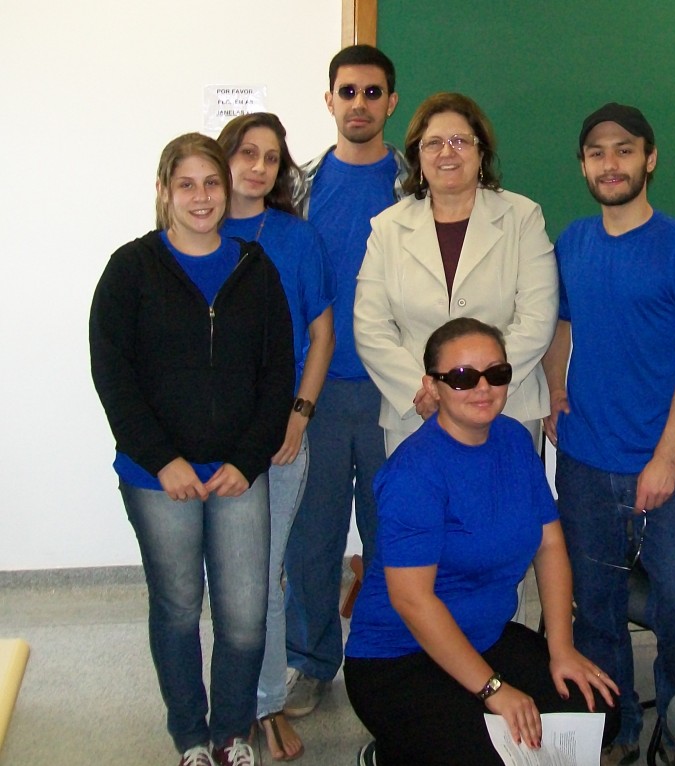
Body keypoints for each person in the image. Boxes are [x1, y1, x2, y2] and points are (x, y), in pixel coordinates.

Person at [89, 133, 294, 766]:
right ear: (163, 192)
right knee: (177, 608)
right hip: (158, 478)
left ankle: (232, 734)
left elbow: (277, 374)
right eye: (187, 184)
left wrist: (248, 460)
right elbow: (112, 374)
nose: (202, 197)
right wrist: (162, 460)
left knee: (242, 615)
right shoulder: (130, 269)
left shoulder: (254, 270)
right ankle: (190, 738)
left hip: (238, 474)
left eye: (211, 183)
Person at [542, 103, 675, 766]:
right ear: (584, 166)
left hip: (662, 466)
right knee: (595, 607)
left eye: (624, 150)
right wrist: (555, 390)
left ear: (649, 158)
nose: (609, 163)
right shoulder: (570, 242)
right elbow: (559, 324)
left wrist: (666, 458)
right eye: (596, 152)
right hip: (586, 461)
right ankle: (617, 728)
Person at [344, 318, 620, 766]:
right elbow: (413, 602)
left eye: (497, 373)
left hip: (485, 638)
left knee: (599, 713)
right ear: (433, 385)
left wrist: (562, 650)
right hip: (397, 658)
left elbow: (549, 547)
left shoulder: (512, 440)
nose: (483, 387)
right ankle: (391, 754)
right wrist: (495, 690)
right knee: (493, 756)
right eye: (462, 377)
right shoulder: (413, 472)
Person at [283, 44, 408, 719]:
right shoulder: (295, 187)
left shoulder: (421, 182)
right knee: (314, 537)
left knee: (395, 533)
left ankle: (388, 657)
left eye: (372, 93)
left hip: (400, 393)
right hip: (319, 394)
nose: (359, 104)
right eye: (347, 92)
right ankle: (309, 661)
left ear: (391, 103)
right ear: (329, 100)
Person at [217, 113, 336, 761]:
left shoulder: (296, 238)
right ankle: (233, 701)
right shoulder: (192, 231)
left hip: (280, 433)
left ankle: (263, 706)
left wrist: (300, 413)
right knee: (222, 579)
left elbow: (321, 335)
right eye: (247, 153)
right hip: (211, 437)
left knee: (264, 575)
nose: (259, 167)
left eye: (271, 157)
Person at [354, 91, 558, 455]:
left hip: (504, 410)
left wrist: (473, 387)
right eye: (433, 143)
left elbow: (537, 321)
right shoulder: (387, 228)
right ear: (418, 155)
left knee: (505, 511)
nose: (447, 152)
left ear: (481, 152)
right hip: (417, 413)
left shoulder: (522, 218)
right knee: (424, 513)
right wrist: (429, 389)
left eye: (460, 141)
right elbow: (370, 328)